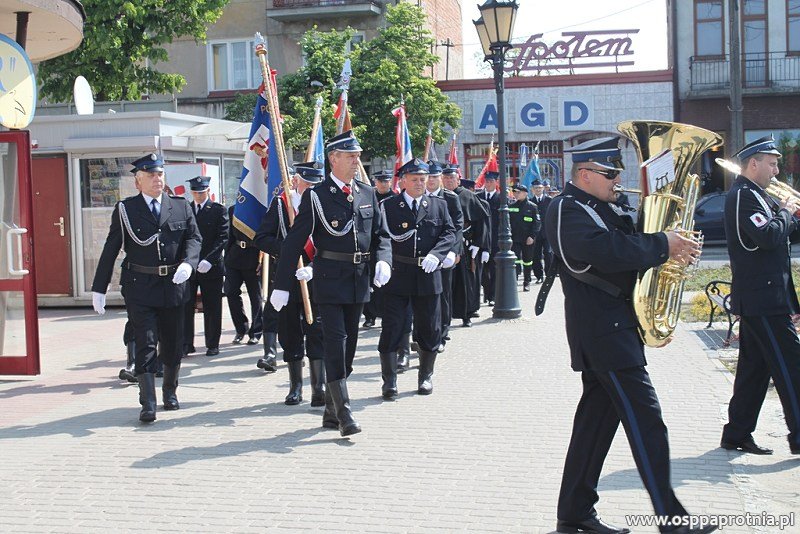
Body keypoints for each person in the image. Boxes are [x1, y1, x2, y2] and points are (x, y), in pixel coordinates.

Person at [541, 137, 715, 534]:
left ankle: (574, 512)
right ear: (584, 174)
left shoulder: (606, 206)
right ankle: (672, 520)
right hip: (602, 333)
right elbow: (600, 253)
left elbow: (634, 255)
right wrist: (661, 245)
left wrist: (669, 260)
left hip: (617, 328)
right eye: (610, 173)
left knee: (594, 428)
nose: (618, 180)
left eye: (618, 173)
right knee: (647, 422)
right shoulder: (566, 208)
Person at [269, 131, 392, 436]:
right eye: (349, 156)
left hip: (358, 281)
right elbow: (294, 242)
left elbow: (382, 235)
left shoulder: (366, 193)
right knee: (335, 342)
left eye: (357, 156)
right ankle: (345, 412)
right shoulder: (316, 195)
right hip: (328, 280)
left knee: (348, 347)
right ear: (333, 159)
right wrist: (282, 284)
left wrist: (383, 260)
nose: (355, 161)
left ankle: (329, 410)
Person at [91, 153, 201, 423]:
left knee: (174, 345)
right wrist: (99, 287)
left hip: (174, 286)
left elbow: (194, 238)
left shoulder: (180, 206)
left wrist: (189, 264)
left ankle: (170, 393)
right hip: (140, 286)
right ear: (138, 182)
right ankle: (148, 402)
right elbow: (111, 248)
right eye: (151, 175)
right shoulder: (127, 210)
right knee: (146, 343)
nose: (157, 179)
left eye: (160, 174)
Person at [720, 135, 800, 457]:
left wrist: (790, 217)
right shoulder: (743, 195)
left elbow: (778, 237)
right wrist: (785, 212)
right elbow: (765, 237)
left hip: (765, 298)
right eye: (772, 162)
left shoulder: (757, 195)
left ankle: (736, 433)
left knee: (754, 372)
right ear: (753, 163)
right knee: (792, 367)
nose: (777, 170)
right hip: (763, 300)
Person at [377, 159, 456, 399]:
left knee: (429, 328)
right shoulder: (389, 206)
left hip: (428, 275)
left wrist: (438, 253)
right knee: (392, 327)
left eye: (423, 179)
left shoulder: (438, 205)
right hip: (399, 275)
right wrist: (383, 262)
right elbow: (382, 237)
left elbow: (449, 232)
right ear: (403, 181)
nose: (421, 183)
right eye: (415, 179)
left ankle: (425, 376)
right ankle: (389, 381)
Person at [254, 162, 327, 406]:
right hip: (286, 278)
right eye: (308, 184)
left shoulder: (323, 202)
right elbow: (261, 238)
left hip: (316, 277)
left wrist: (314, 266)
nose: (312, 190)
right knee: (289, 332)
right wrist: (287, 249)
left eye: (316, 185)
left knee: (317, 332)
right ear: (296, 181)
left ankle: (319, 387)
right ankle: (296, 386)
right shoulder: (281, 205)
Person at [183, 176, 229, 357]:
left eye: (202, 192)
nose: (199, 195)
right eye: (195, 192)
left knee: (212, 307)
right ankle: (187, 343)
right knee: (186, 306)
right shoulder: (186, 209)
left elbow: (223, 238)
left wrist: (210, 260)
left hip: (212, 266)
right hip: (190, 266)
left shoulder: (218, 210)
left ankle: (212, 343)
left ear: (208, 191)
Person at [443, 169, 490, 327]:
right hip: (445, 245)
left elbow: (481, 222)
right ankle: (446, 316)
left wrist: (479, 244)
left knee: (466, 282)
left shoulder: (467, 196)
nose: (449, 181)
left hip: (467, 246)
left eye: (452, 178)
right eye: (446, 178)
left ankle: (467, 314)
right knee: (447, 283)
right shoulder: (439, 196)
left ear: (458, 180)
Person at [426, 160, 464, 352]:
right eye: (428, 177)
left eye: (434, 177)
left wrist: (453, 251)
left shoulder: (450, 198)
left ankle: (442, 333)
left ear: (440, 178)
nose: (431, 181)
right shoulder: (419, 196)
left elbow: (457, 227)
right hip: (424, 256)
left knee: (443, 294)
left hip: (445, 254)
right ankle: (425, 333)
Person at [224, 204, 263, 345]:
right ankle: (240, 328)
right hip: (235, 256)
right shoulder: (234, 209)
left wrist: (263, 260)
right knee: (230, 292)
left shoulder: (261, 207)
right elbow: (229, 236)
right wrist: (226, 258)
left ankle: (256, 331)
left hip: (254, 257)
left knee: (255, 296)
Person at [363, 169, 396, 328]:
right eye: (380, 181)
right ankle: (369, 316)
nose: (383, 184)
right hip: (370, 245)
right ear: (375, 182)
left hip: (388, 246)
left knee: (386, 284)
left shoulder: (396, 199)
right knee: (369, 283)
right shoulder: (367, 197)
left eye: (386, 181)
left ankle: (385, 314)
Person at [508, 184, 540, 292]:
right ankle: (515, 280)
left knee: (527, 261)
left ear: (525, 193)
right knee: (516, 260)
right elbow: (508, 223)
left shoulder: (532, 206)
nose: (516, 194)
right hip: (515, 238)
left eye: (518, 192)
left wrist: (532, 236)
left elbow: (537, 224)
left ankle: (527, 281)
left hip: (528, 239)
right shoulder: (511, 206)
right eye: (515, 192)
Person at [530, 179, 552, 284]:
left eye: (539, 188)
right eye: (536, 188)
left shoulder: (549, 200)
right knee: (536, 255)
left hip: (547, 233)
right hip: (535, 234)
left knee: (548, 253)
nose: (538, 190)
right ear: (532, 190)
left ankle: (548, 275)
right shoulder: (530, 202)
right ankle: (539, 276)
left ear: (543, 188)